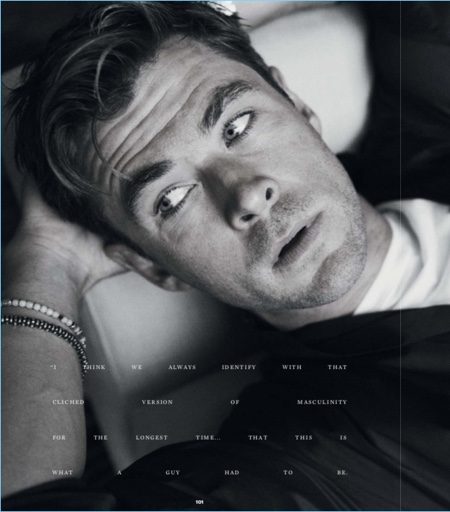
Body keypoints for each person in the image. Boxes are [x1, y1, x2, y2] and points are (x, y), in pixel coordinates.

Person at [2, 2, 449, 510]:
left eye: (237, 127)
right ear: (152, 266)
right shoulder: (315, 446)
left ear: (298, 106)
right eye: (171, 199)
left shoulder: (427, 113)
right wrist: (45, 264)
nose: (248, 194)